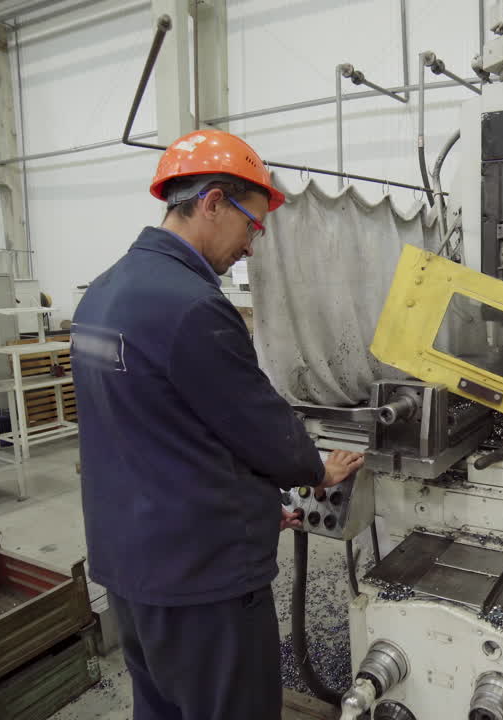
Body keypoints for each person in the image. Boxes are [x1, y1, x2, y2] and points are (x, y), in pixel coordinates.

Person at [70, 129, 364, 720]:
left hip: (128, 567)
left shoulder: (100, 294)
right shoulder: (193, 306)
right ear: (211, 202)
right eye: (253, 227)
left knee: (161, 707)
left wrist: (253, 508)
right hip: (200, 584)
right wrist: (315, 470)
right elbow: (260, 428)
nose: (252, 247)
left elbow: (160, 430)